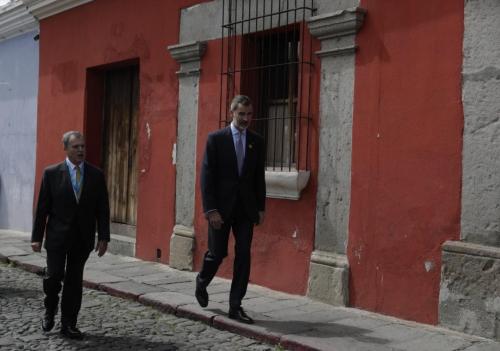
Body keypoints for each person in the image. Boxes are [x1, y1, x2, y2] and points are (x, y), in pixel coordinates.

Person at [31, 131, 110, 339]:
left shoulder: (96, 175)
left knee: (74, 282)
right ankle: (50, 309)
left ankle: (69, 324)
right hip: (57, 237)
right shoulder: (51, 173)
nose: (81, 150)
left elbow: (102, 208)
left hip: (82, 238)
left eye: (83, 146)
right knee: (54, 275)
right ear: (65, 148)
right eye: (76, 147)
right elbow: (42, 209)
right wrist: (36, 237)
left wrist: (104, 236)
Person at [195, 95, 266, 324]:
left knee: (243, 255)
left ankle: (236, 306)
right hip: (220, 210)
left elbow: (258, 177)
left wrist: (261, 208)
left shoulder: (257, 141)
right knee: (217, 253)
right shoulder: (216, 139)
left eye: (249, 114)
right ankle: (202, 281)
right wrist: (211, 209)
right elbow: (206, 177)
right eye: (241, 114)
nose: (246, 118)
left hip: (245, 209)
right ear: (232, 113)